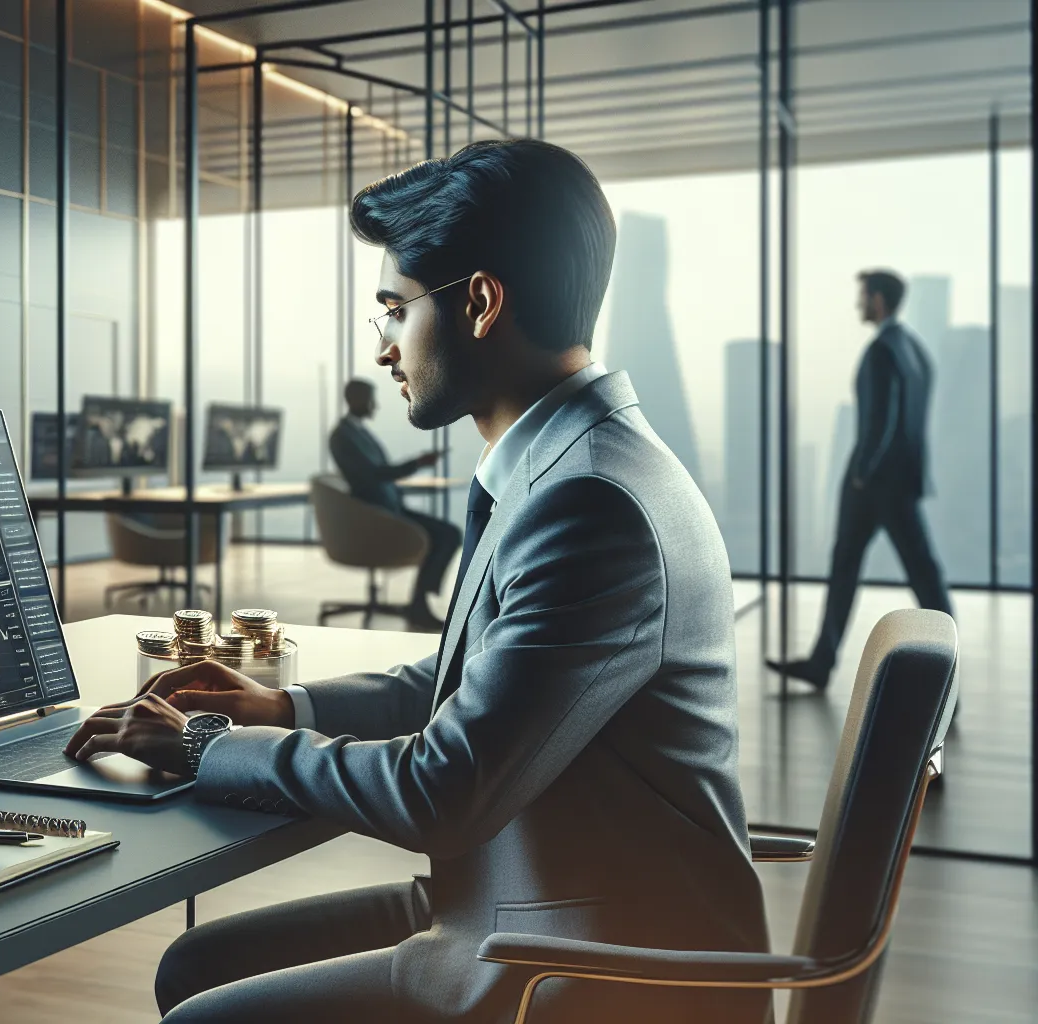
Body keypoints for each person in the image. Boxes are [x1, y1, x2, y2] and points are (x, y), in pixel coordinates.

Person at [64, 139, 767, 1024]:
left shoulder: (590, 504)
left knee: (198, 1013)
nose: (384, 348)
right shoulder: (574, 466)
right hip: (535, 897)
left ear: (479, 302)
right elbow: (469, 686)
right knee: (200, 962)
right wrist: (285, 710)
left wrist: (205, 744)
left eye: (395, 310)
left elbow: (443, 790)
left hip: (587, 964)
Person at [768, 270, 953, 691]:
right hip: (902, 481)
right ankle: (823, 661)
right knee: (914, 571)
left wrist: (861, 472)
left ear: (879, 300)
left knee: (860, 565)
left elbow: (879, 419)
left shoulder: (880, 352)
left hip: (873, 485)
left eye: (863, 296)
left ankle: (943, 676)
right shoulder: (915, 351)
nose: (858, 304)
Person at [329, 379, 461, 629]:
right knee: (446, 535)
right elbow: (374, 474)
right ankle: (419, 605)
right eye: (371, 399)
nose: (375, 405)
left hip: (388, 511)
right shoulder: (344, 436)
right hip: (377, 517)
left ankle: (420, 602)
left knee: (448, 534)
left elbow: (376, 474)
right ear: (356, 399)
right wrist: (416, 464)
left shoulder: (356, 432)